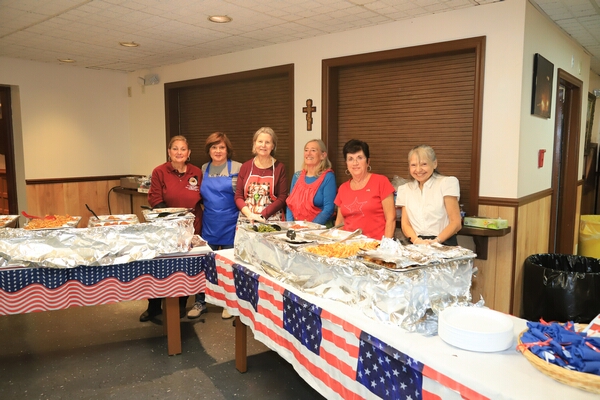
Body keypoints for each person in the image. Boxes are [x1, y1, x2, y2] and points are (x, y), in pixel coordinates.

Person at [139, 135, 202, 322]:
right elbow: (155, 198)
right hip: (166, 228)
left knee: (185, 267)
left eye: (183, 149)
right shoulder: (159, 171)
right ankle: (153, 306)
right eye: (175, 148)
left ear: (189, 153)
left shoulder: (197, 172)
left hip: (192, 228)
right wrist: (174, 219)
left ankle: (181, 304)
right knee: (159, 267)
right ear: (169, 152)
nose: (179, 152)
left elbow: (205, 196)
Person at [187, 132, 241, 320]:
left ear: (228, 150)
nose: (218, 151)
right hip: (209, 224)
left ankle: (229, 303)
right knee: (204, 265)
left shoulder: (238, 167)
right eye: (214, 147)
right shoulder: (203, 168)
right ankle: (200, 302)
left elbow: (242, 195)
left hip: (231, 224)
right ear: (208, 150)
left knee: (229, 266)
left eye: (221, 147)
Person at [396, 144, 462, 246]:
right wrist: (417, 241)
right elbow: (405, 224)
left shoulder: (447, 183)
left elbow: (456, 223)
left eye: (424, 164)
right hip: (416, 244)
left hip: (444, 243)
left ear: (434, 164)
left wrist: (436, 241)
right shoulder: (405, 189)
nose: (418, 170)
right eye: (413, 165)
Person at [334, 139, 395, 239]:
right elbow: (340, 222)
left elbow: (391, 219)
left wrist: (386, 245)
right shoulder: (343, 188)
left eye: (360, 158)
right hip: (348, 245)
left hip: (375, 244)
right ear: (346, 163)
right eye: (350, 159)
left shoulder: (381, 181)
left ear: (368, 161)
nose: (355, 163)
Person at [235, 127, 288, 221]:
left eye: (267, 142)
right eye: (260, 141)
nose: (263, 145)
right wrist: (250, 214)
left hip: (271, 220)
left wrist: (263, 215)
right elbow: (238, 196)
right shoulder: (245, 167)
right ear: (254, 143)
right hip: (247, 219)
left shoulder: (279, 168)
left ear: (273, 146)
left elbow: (282, 198)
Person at [286, 139, 336, 225]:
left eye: (313, 150)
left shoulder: (328, 177)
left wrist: (309, 228)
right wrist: (290, 224)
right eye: (306, 150)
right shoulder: (296, 176)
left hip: (319, 228)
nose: (308, 153)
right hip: (296, 227)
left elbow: (329, 209)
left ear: (323, 155)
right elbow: (290, 204)